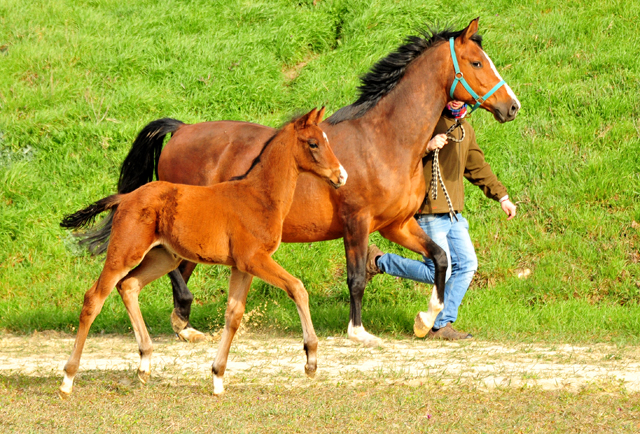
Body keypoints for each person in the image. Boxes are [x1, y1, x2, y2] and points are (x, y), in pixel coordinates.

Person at [366, 100, 517, 340]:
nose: (457, 100)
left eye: (462, 97)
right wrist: (427, 146)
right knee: (437, 271)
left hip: (453, 214)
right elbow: (399, 152)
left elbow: (477, 167)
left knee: (467, 265)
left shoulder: (463, 128)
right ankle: (378, 261)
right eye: (452, 95)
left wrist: (502, 197)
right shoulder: (428, 121)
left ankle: (440, 325)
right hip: (429, 210)